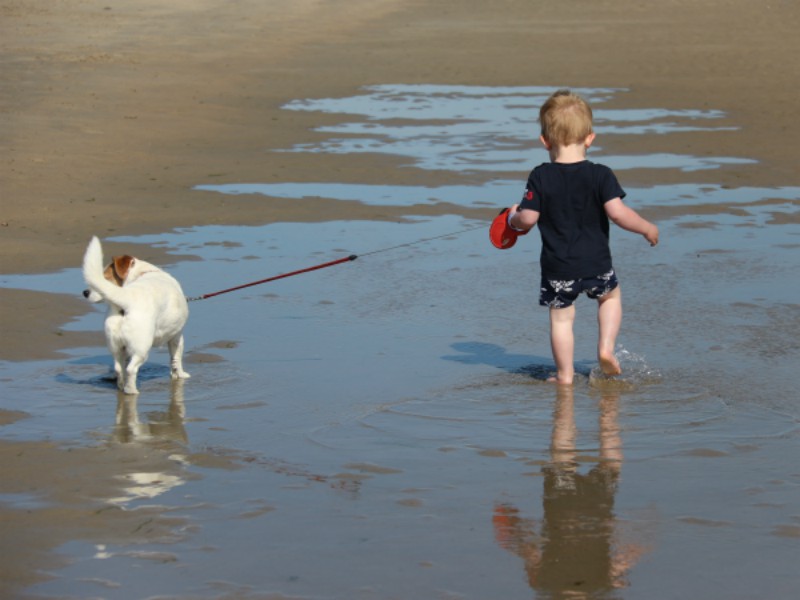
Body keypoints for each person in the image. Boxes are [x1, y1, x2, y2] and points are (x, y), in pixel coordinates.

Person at [508, 90, 659, 384]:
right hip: (597, 263)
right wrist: (647, 228)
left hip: (558, 268)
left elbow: (528, 218)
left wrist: (512, 218)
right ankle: (605, 348)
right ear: (590, 137)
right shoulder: (601, 175)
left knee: (562, 319)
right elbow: (617, 213)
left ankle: (565, 375)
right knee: (610, 297)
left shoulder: (540, 176)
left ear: (545, 141)